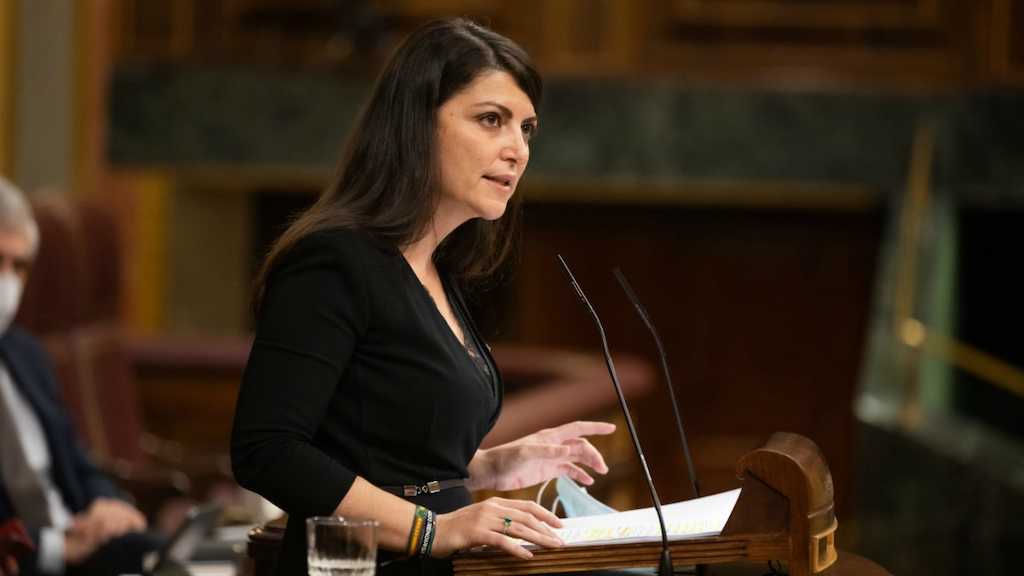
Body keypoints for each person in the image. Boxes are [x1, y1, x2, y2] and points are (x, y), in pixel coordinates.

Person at [230, 17, 617, 576]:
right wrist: (433, 529)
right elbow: (269, 451)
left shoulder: (436, 270)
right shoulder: (335, 262)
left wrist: (487, 467)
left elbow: (378, 450)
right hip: (351, 567)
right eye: (491, 120)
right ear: (416, 124)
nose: (517, 149)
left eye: (526, 129)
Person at [0, 177, 163, 576]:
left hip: (85, 547)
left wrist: (108, 504)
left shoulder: (26, 353)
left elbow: (77, 459)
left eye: (18, 266)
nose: (7, 281)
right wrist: (57, 548)